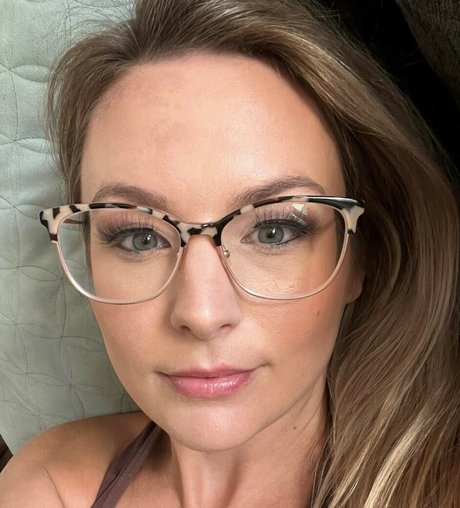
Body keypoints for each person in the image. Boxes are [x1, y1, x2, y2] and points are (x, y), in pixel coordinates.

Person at [0, 0, 458, 506]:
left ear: (359, 255)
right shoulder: (52, 483)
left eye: (273, 232)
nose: (201, 314)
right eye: (139, 237)